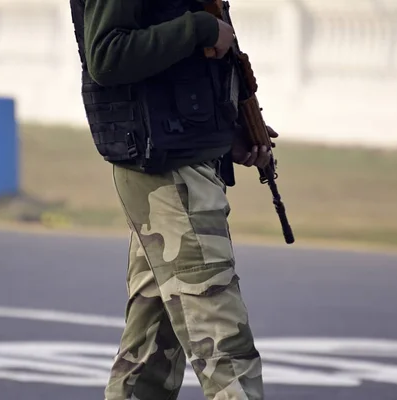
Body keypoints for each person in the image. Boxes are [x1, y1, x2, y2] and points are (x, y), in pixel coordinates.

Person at [69, 0, 278, 398]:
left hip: (180, 161)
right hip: (168, 176)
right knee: (225, 348)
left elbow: (187, 66)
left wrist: (226, 127)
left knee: (151, 355)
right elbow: (107, 55)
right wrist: (198, 29)